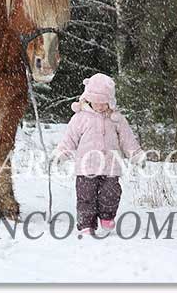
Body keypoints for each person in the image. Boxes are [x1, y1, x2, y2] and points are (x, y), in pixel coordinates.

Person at [54, 73, 145, 235]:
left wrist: (136, 155)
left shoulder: (117, 119)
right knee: (86, 196)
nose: (100, 106)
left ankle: (107, 216)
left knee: (111, 193)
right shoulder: (80, 118)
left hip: (111, 166)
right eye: (97, 102)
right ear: (88, 99)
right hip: (86, 167)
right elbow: (70, 138)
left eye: (104, 103)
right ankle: (86, 224)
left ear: (110, 101)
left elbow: (127, 139)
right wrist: (61, 153)